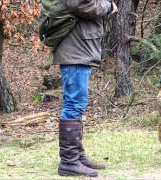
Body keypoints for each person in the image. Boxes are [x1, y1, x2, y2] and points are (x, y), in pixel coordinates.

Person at [53, 0, 118, 177]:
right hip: (75, 51)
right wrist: (109, 6)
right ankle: (69, 162)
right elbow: (80, 4)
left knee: (77, 104)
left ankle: (77, 156)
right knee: (74, 104)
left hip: (78, 49)